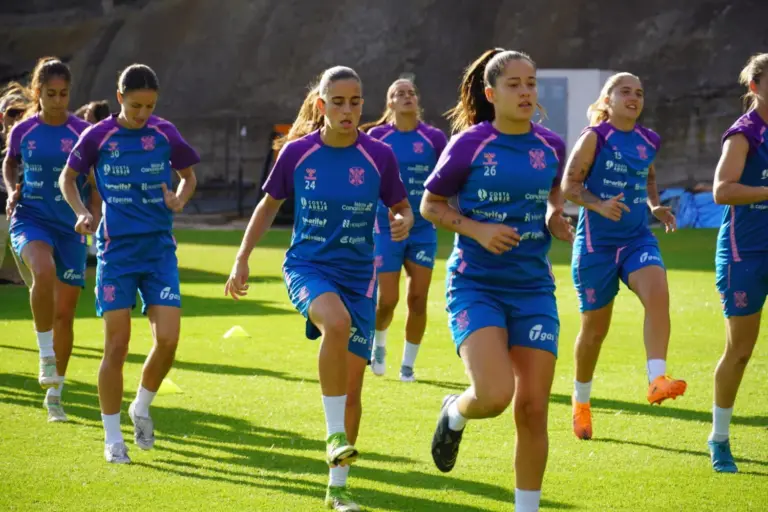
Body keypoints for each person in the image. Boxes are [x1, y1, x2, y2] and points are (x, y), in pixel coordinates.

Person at [224, 66, 412, 511]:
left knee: (354, 391)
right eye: (339, 102)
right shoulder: (297, 153)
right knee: (336, 322)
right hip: (308, 267)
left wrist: (402, 220)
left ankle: (338, 490)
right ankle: (332, 434)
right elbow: (268, 207)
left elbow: (400, 205)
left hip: (359, 277)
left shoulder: (379, 156)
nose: (348, 110)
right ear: (321, 105)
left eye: (356, 101)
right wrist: (241, 258)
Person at [422, 49, 572, 512]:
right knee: (494, 395)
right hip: (476, 285)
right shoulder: (470, 144)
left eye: (531, 83)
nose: (526, 92)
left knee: (532, 408)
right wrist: (478, 229)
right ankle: (454, 411)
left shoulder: (551, 145)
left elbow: (550, 197)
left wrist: (554, 218)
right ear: (491, 93)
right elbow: (431, 205)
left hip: (533, 289)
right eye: (514, 85)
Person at [59, 64, 199, 464]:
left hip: (158, 251)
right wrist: (82, 211)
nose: (142, 114)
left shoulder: (164, 132)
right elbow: (67, 178)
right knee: (116, 346)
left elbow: (188, 177)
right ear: (119, 98)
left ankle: (141, 406)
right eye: (136, 105)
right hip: (116, 253)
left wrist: (180, 198)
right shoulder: (98, 135)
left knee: (168, 339)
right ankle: (112, 438)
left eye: (150, 106)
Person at [561, 72, 686, 441]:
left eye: (640, 93)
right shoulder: (593, 138)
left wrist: (655, 205)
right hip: (596, 247)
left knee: (658, 294)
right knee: (594, 332)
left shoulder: (649, 140)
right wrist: (598, 204)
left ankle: (657, 379)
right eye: (625, 91)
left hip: (636, 239)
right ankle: (581, 402)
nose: (634, 97)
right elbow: (569, 186)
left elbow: (647, 176)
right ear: (608, 99)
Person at [2, 58, 91, 422]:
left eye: (64, 94)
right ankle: (44, 354)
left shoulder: (84, 132)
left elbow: (96, 176)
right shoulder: (24, 130)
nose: (57, 101)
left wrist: (95, 214)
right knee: (43, 269)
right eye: (50, 94)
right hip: (31, 215)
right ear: (37, 93)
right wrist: (10, 190)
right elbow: (9, 163)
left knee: (65, 314)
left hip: (71, 226)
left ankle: (55, 394)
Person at [360, 78, 447, 381]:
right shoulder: (377, 136)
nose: (407, 96)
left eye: (411, 92)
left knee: (418, 299)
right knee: (388, 300)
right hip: (385, 228)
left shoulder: (434, 138)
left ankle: (408, 364)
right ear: (390, 103)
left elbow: (446, 179)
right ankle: (379, 346)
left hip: (423, 228)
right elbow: (367, 179)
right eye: (399, 93)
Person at [708, 53, 768, 473]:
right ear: (755, 87)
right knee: (740, 351)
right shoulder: (744, 134)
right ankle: (720, 438)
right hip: (745, 253)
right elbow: (721, 191)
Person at [0, 84, 29, 286]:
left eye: (21, 112)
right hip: (1, 211)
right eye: (11, 113)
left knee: (30, 276)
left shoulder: (31, 141)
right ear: (2, 116)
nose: (16, 117)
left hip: (27, 213)